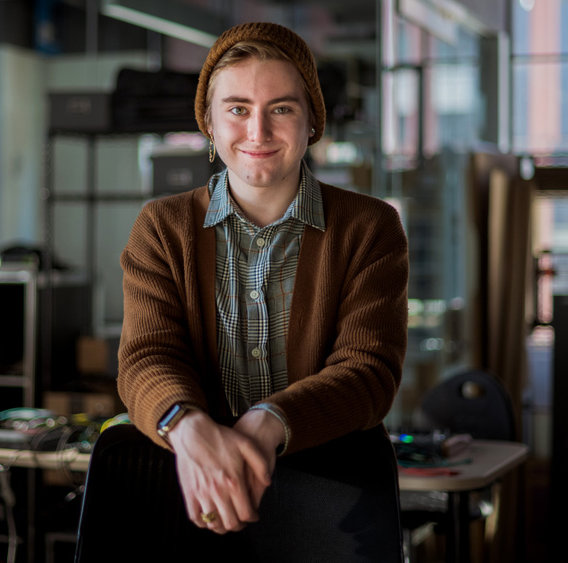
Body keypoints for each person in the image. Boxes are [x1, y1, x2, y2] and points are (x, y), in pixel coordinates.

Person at [117, 21, 409, 560]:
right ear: (208, 121)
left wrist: (269, 420)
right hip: (191, 494)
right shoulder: (161, 227)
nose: (257, 132)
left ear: (311, 122)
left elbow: (369, 370)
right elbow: (146, 356)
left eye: (281, 108)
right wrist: (185, 425)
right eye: (237, 109)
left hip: (332, 501)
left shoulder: (370, 227)